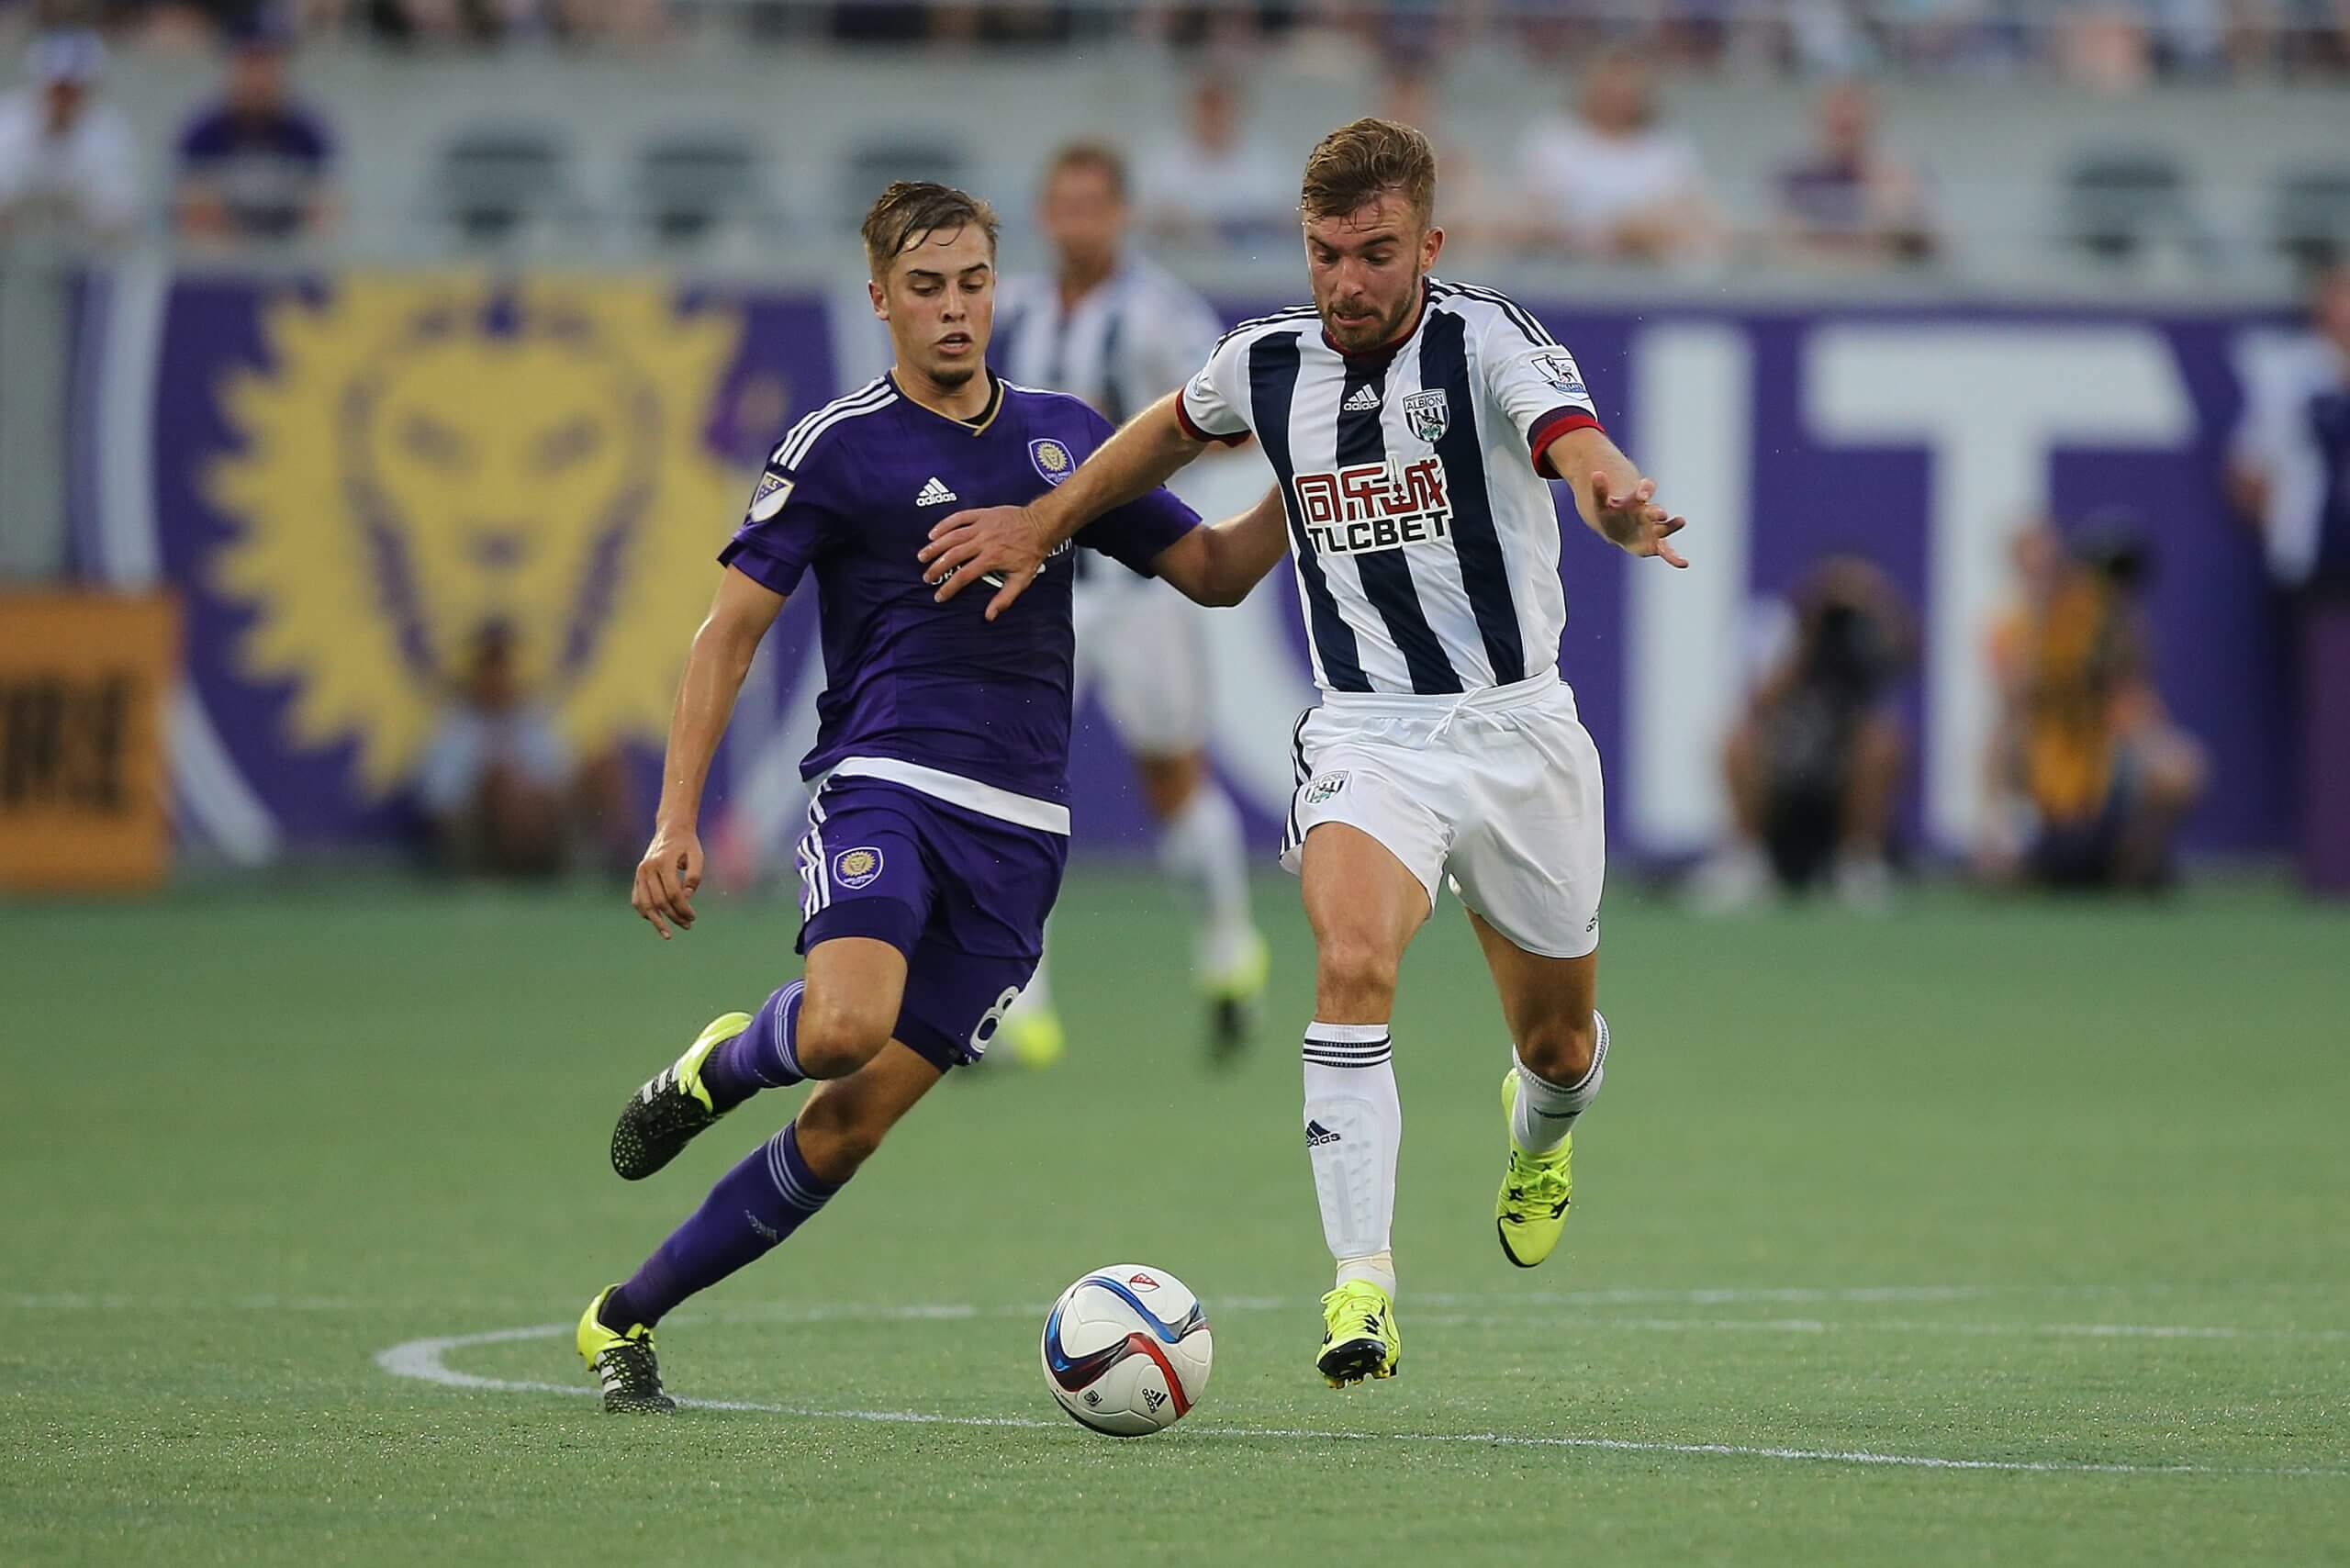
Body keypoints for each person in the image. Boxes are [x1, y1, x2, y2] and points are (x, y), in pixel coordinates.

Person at [922, 119, 1689, 1388]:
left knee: (1556, 1047)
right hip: (1367, 734)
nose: (1349, 281)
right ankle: (1360, 1288)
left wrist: (1616, 500)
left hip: (1517, 731)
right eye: (1328, 252)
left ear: (1428, 245)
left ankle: (1542, 1134)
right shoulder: (1269, 363)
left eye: (1377, 252)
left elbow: (1577, 448)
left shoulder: (1487, 340)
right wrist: (1048, 521)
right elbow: (1165, 433)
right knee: (1348, 958)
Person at [576, 182, 1290, 1412]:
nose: (954, 310)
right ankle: (727, 1061)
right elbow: (726, 634)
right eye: (925, 288)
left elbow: (1216, 573)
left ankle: (623, 1315)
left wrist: (1307, 478)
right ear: (880, 300)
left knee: (850, 1129)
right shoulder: (838, 445)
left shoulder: (1066, 438)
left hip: (1022, 841)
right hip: (885, 787)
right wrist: (677, 818)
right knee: (844, 1025)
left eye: (970, 284)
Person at [990, 142, 1270, 1065]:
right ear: (1044, 213)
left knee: (1170, 773)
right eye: (1061, 206)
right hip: (1038, 578)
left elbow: (1228, 418)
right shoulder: (1013, 311)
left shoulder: (1158, 312)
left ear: (1121, 214)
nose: (1077, 223)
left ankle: (1228, 945)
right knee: (1013, 782)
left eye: (1092, 206)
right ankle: (1015, 997)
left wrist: (1135, 459)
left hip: (1138, 579)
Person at [1978, 520, 2207, 891]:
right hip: (2048, 789)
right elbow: (2010, 717)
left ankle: (2130, 866)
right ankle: (2037, 861)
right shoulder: (2013, 630)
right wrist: (1996, 822)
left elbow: (2138, 709)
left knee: (2179, 769)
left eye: (2052, 565)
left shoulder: (2105, 625)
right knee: (1999, 870)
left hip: (2103, 779)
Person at [1688, 556, 1912, 913]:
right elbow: (1757, 705)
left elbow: (1908, 656)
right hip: (1784, 790)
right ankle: (1746, 859)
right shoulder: (1780, 633)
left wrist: (1875, 608)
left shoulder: (1865, 642)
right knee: (1739, 739)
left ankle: (1858, 864)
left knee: (1882, 738)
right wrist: (1807, 643)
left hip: (1837, 793)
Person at [414, 621, 635, 879]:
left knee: (603, 761)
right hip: (484, 836)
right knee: (501, 779)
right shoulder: (456, 725)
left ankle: (622, 861)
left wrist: (533, 799)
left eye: (502, 666)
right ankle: (496, 873)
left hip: (542, 823)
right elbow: (439, 801)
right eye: (489, 667)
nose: (497, 676)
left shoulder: (530, 716)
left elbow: (558, 773)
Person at [1514, 48, 1717, 264]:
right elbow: (1536, 210)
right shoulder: (1552, 139)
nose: (1617, 98)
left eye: (1626, 91)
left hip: (1650, 261)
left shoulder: (1669, 147)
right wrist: (1606, 233)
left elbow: (1683, 212)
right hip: (1561, 257)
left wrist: (1636, 232)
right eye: (1608, 89)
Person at [173, 18, 337, 244]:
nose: (259, 75)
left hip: (287, 260)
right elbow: (194, 218)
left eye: (268, 61)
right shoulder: (203, 132)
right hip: (221, 263)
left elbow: (325, 215)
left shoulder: (308, 132)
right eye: (251, 61)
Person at [1773, 79, 1937, 267]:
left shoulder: (1900, 176)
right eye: (1836, 112)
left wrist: (1895, 213)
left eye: (1852, 110)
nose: (1845, 115)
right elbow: (1783, 244)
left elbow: (1924, 246)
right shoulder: (1794, 179)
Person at [0, 31, 140, 248]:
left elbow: (117, 216)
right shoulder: (8, 121)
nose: (65, 100)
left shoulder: (111, 132)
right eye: (58, 89)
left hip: (79, 256)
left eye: (75, 90)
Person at [1133, 75, 1292, 250]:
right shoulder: (1162, 163)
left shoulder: (1266, 164)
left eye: (1223, 109)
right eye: (1209, 109)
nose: (1216, 118)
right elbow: (1140, 218)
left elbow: (1289, 217)